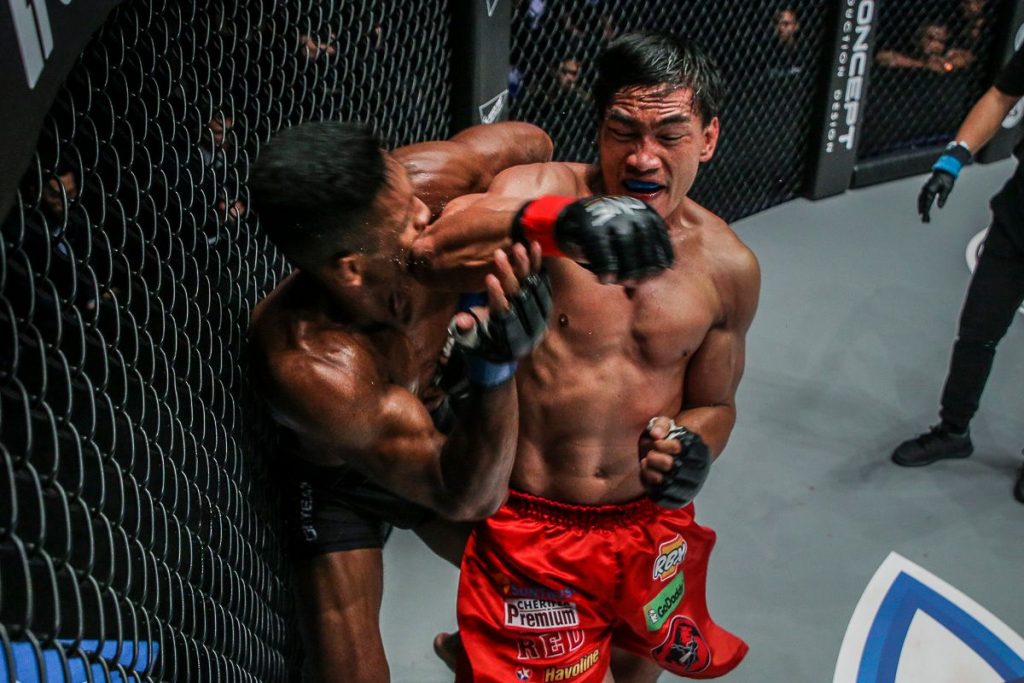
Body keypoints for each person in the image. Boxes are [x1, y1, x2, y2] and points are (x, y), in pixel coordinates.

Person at [413, 31, 759, 681]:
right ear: (598, 129)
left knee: (637, 668)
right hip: (535, 528)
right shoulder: (542, 189)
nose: (643, 157)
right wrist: (560, 224)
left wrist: (694, 450)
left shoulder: (728, 267)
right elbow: (431, 249)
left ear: (708, 138)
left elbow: (715, 404)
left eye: (670, 135)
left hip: (648, 525)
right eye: (623, 131)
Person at [247, 120, 558, 682]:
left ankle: (472, 647)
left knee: (558, 593)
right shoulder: (310, 363)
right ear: (350, 268)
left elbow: (536, 144)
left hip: (434, 423)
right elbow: (465, 496)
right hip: (342, 482)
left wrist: (512, 219)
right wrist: (495, 368)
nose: (424, 213)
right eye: (404, 216)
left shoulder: (431, 182)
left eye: (413, 194)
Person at [892, 43, 1024, 505]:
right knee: (977, 331)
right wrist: (952, 159)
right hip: (1019, 217)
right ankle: (953, 430)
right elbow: (1001, 95)